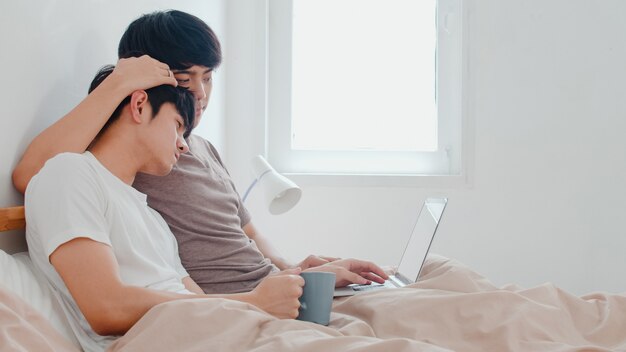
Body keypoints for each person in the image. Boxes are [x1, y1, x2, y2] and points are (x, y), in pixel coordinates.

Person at [13, 10, 388, 294]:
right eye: (184, 79)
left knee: (420, 282)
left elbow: (249, 231)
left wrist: (296, 269)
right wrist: (120, 80)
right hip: (235, 299)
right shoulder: (142, 151)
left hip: (276, 286)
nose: (201, 95)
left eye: (207, 78)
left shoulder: (204, 148)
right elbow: (32, 174)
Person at [25, 66, 306, 351]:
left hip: (206, 330)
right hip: (154, 340)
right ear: (139, 105)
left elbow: (198, 301)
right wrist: (254, 302)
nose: (184, 146)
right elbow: (106, 308)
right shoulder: (70, 173)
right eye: (177, 126)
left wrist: (265, 300)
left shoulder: (154, 219)